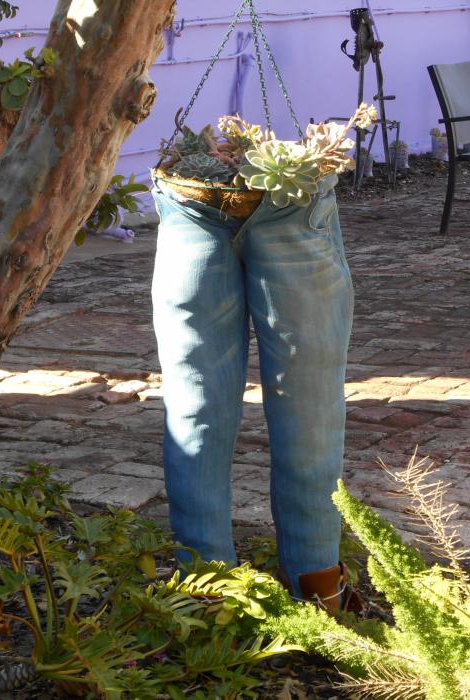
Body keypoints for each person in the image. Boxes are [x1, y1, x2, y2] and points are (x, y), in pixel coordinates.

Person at [150, 172, 360, 612]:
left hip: (199, 203)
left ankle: (210, 600)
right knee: (310, 410)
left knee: (198, 412)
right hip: (243, 206)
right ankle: (315, 593)